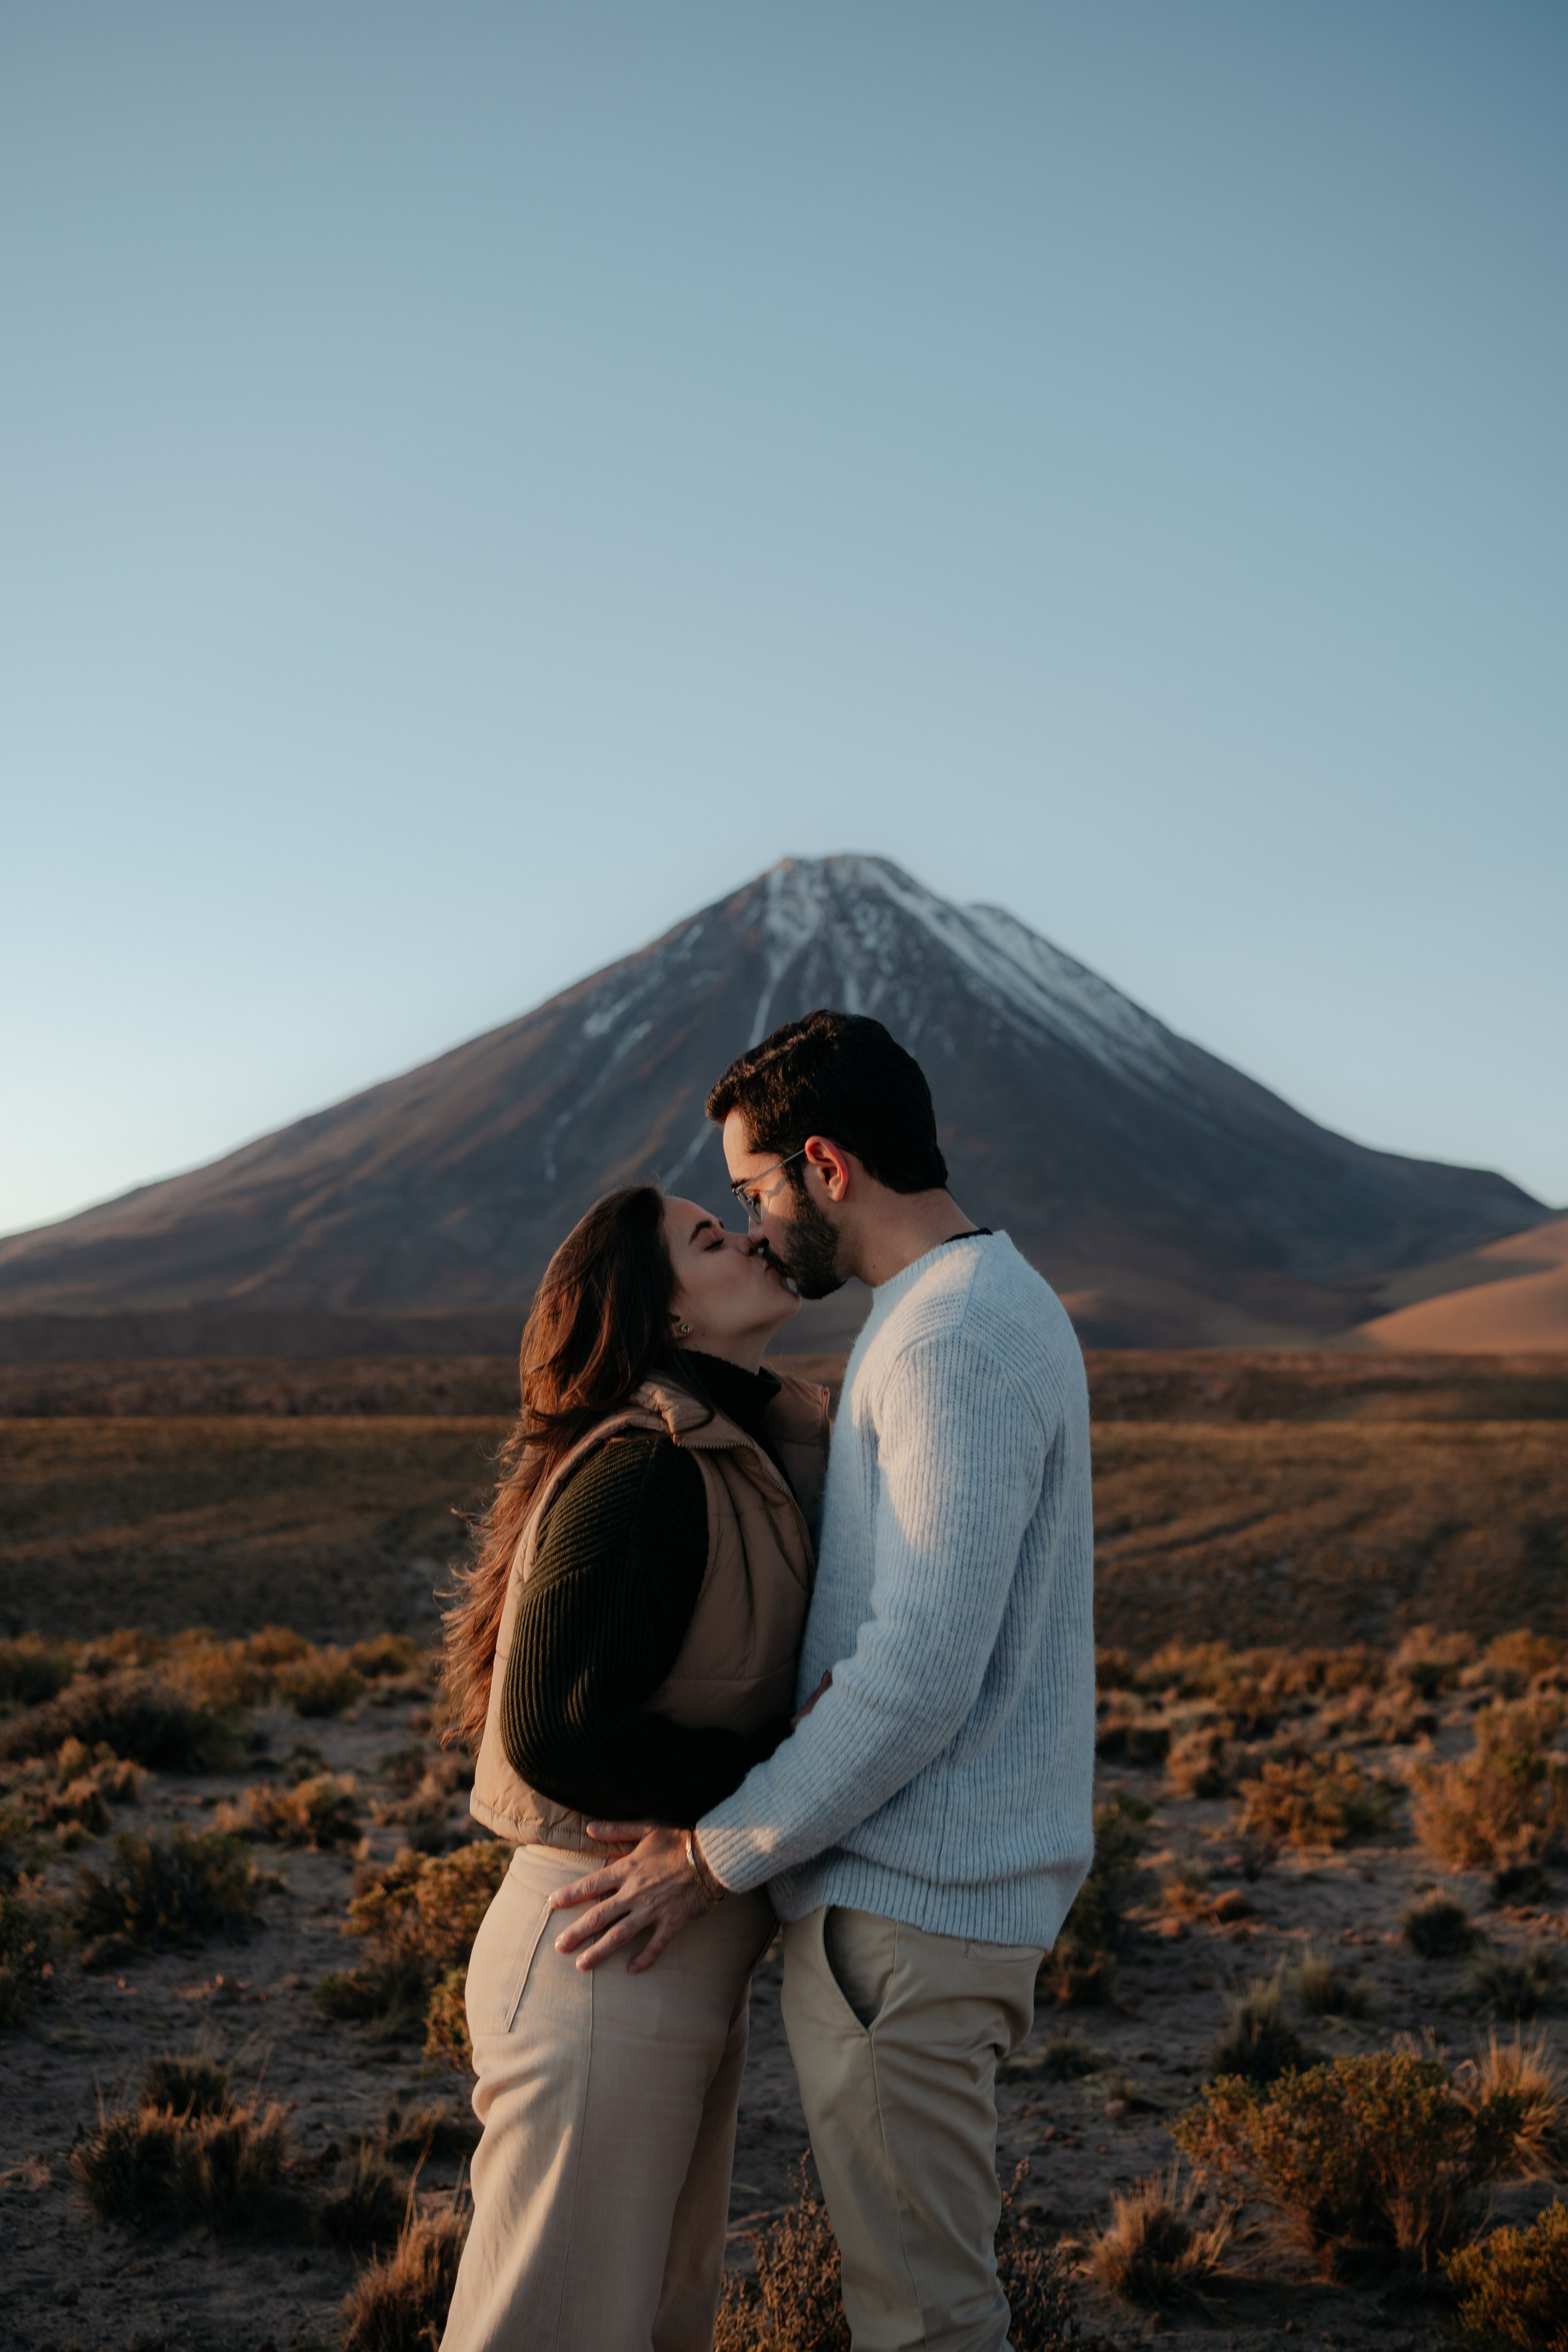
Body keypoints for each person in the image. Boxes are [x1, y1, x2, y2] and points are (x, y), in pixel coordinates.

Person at [551, 1012, 1096, 2352]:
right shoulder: (979, 1303)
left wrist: (712, 1854)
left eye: (753, 1193)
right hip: (933, 1910)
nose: (754, 1226)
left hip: (908, 1915)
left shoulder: (942, 1340)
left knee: (924, 2322)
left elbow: (913, 1678)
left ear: (824, 1165)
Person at [438, 1183, 829, 2352]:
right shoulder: (647, 1466)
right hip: (600, 1950)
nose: (754, 1235)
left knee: (651, 2323)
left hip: (661, 1954)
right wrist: (788, 1765)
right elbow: (558, 1726)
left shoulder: (726, 1447)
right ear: (661, 1317)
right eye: (710, 1238)